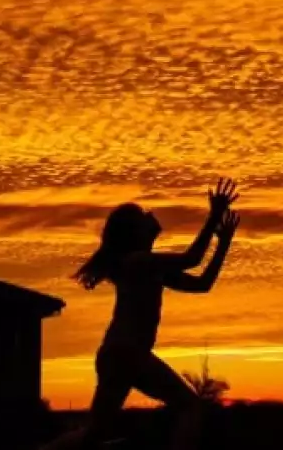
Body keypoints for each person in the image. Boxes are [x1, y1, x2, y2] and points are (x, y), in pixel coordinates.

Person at [44, 179, 241, 450]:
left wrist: (223, 244)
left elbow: (202, 284)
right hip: (127, 353)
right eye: (143, 215)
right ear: (134, 233)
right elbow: (192, 258)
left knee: (94, 434)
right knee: (189, 406)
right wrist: (213, 216)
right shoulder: (138, 261)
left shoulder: (149, 266)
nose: (151, 216)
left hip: (118, 354)